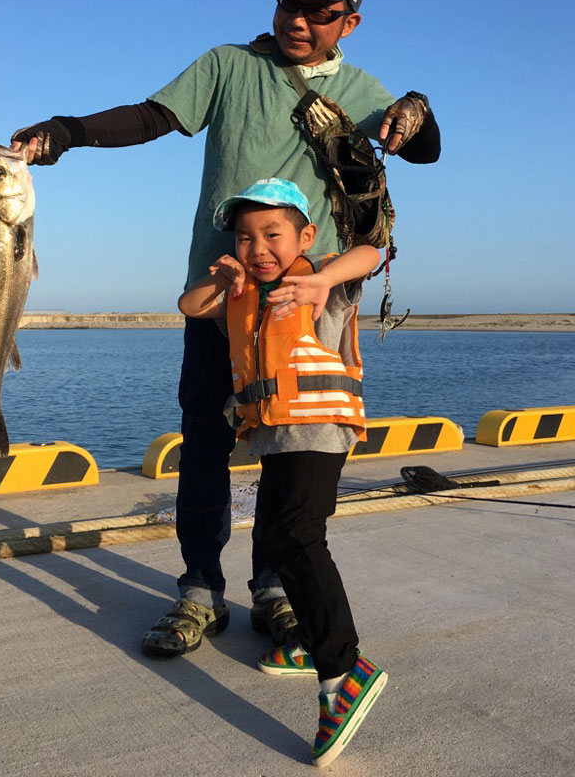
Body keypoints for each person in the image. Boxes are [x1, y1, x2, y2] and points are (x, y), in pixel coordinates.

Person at [11, 0, 441, 657]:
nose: (298, 19)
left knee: (286, 456)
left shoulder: (359, 89)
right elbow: (151, 117)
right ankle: (199, 592)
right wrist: (68, 131)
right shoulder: (228, 66)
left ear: (349, 22)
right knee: (205, 447)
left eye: (319, 11)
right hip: (220, 299)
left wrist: (415, 107)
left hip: (304, 311)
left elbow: (424, 151)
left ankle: (275, 591)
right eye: (290, 1)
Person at [177, 177, 386, 768]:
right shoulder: (240, 294)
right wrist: (225, 280)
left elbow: (374, 252)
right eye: (245, 237)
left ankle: (342, 670)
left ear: (306, 237)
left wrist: (323, 279)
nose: (259, 248)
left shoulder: (321, 283)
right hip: (275, 437)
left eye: (273, 234)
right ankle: (309, 645)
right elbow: (189, 306)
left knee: (297, 535)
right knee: (273, 534)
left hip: (318, 432)